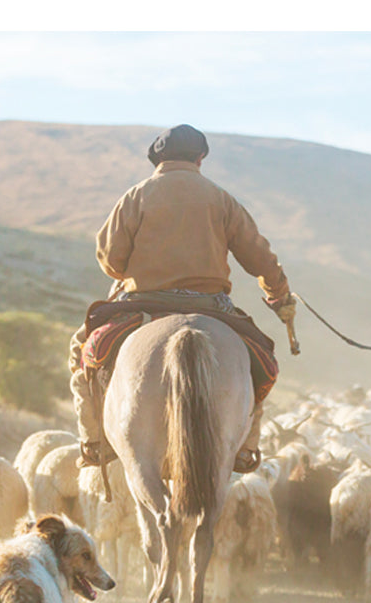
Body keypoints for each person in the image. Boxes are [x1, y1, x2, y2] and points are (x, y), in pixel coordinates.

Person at [69, 124, 296, 474]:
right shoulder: (222, 199)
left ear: (158, 158)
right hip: (210, 306)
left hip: (143, 303)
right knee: (260, 362)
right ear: (201, 158)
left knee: (82, 349)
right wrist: (278, 294)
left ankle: (95, 441)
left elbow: (111, 260)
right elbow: (260, 258)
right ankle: (245, 448)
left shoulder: (136, 196)